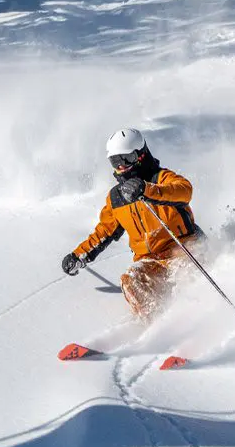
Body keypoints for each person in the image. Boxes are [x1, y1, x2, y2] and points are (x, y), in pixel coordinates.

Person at [61, 128, 204, 322]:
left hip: (182, 246)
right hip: (150, 260)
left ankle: (198, 317)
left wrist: (147, 190)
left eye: (126, 159)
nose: (121, 166)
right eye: (115, 162)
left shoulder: (162, 179)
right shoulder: (116, 198)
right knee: (131, 281)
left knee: (186, 274)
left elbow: (184, 191)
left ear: (141, 155)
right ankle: (159, 324)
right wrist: (79, 255)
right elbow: (104, 231)